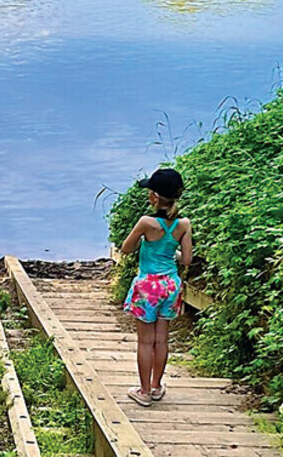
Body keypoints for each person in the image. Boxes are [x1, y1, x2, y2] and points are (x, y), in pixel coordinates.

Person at [119, 167, 193, 407]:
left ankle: (143, 391)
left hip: (148, 287)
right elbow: (187, 259)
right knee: (162, 340)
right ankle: (157, 386)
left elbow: (126, 248)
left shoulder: (146, 223)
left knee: (144, 342)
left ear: (154, 197)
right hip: (171, 286)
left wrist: (144, 240)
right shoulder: (183, 224)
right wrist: (170, 250)